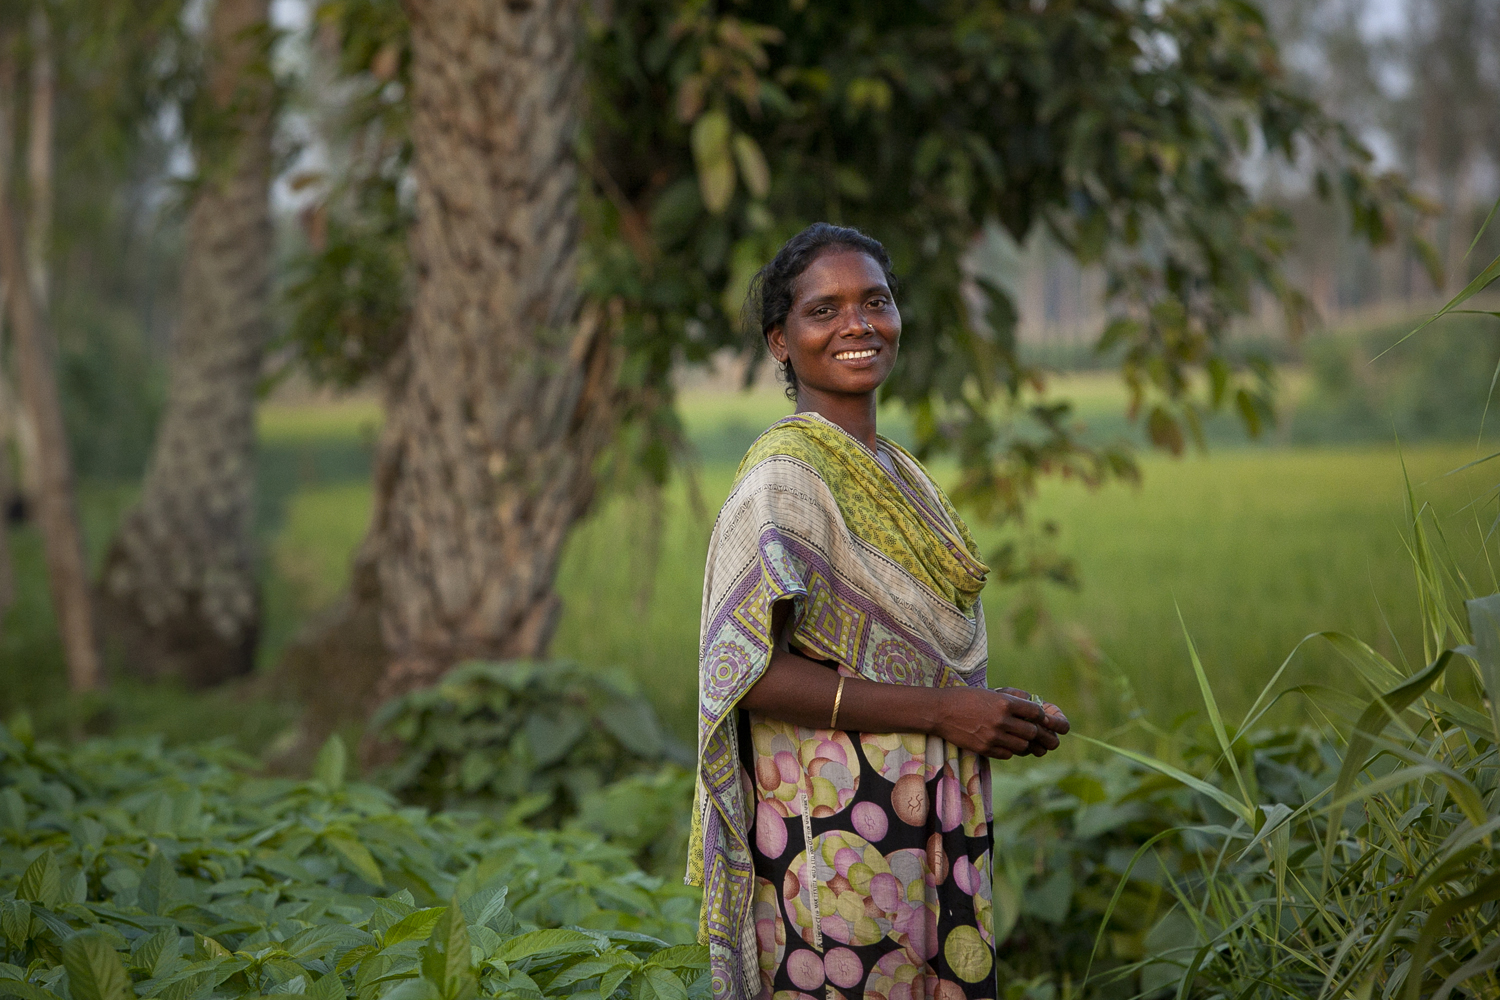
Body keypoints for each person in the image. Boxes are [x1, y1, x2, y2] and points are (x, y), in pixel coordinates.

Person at [688, 222, 1071, 1000]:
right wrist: (944, 711)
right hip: (832, 828)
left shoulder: (899, 473)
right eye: (824, 310)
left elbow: (912, 652)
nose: (858, 324)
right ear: (780, 343)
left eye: (876, 301)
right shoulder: (784, 480)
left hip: (923, 807)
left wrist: (992, 712)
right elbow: (745, 672)